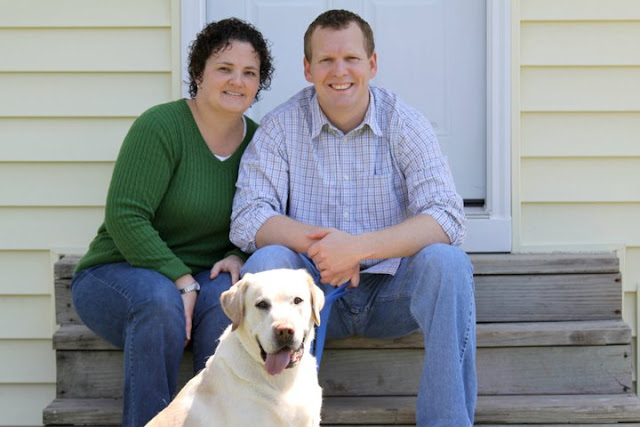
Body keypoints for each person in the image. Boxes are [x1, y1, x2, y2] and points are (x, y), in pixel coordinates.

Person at [230, 9, 476, 426]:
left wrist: (356, 250)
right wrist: (327, 251)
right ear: (308, 68)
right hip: (311, 300)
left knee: (448, 264)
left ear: (372, 64)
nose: (339, 71)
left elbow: (447, 215)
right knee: (267, 262)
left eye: (351, 59)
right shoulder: (280, 127)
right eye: (326, 60)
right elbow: (248, 216)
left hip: (393, 297)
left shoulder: (405, 123)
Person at [70, 18, 274, 426]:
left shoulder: (260, 142)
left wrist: (236, 253)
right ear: (198, 73)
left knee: (229, 304)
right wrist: (181, 280)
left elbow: (260, 213)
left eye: (249, 72)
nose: (237, 81)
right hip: (119, 273)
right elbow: (126, 216)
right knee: (158, 301)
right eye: (225, 68)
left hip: (202, 278)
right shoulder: (160, 127)